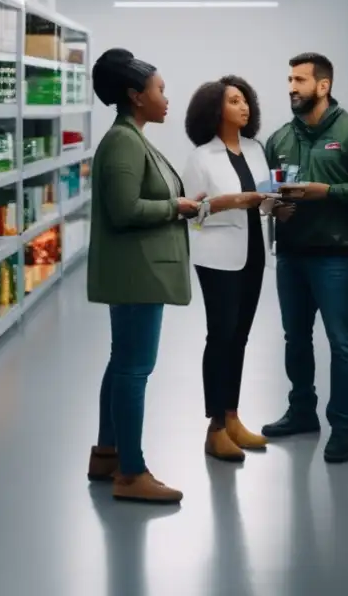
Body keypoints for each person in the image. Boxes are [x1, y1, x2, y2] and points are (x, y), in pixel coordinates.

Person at [85, 47, 206, 505]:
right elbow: (124, 210)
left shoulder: (134, 137)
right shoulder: (123, 142)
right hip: (136, 273)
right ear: (136, 96)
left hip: (138, 271)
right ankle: (131, 473)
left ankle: (107, 454)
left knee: (122, 363)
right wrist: (176, 206)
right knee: (135, 370)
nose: (166, 98)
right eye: (159, 90)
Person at [260, 52, 348, 464]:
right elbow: (269, 193)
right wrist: (271, 208)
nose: (291, 87)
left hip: (335, 255)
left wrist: (326, 192)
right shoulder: (280, 138)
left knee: (342, 343)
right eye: (289, 79)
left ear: (323, 85)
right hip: (291, 254)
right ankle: (301, 412)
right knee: (295, 338)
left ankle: (343, 428)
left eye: (299, 79)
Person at [181, 75, 272, 463]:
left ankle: (233, 417)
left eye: (245, 100)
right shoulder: (202, 157)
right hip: (217, 258)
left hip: (253, 252)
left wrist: (277, 204)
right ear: (215, 109)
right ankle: (215, 427)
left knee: (240, 338)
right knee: (220, 336)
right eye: (234, 101)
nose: (244, 107)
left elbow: (265, 198)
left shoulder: (255, 149)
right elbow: (192, 215)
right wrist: (232, 201)